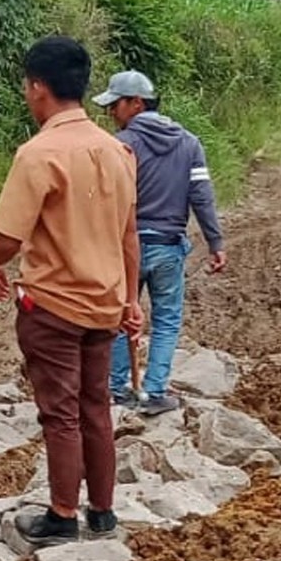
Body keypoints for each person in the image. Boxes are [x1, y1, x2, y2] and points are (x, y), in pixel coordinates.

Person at [0, 36, 143, 545]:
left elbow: (9, 235)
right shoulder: (117, 151)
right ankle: (103, 512)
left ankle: (61, 514)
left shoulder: (38, 153)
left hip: (52, 306)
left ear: (37, 88)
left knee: (59, 413)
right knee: (96, 406)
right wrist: (131, 300)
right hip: (104, 305)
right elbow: (128, 235)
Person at [92, 70, 227, 415]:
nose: (111, 113)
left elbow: (101, 199)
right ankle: (154, 392)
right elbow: (202, 197)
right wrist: (216, 243)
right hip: (169, 245)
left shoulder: (122, 145)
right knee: (166, 319)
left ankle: (116, 387)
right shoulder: (190, 143)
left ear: (136, 103)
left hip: (127, 247)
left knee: (122, 314)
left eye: (116, 105)